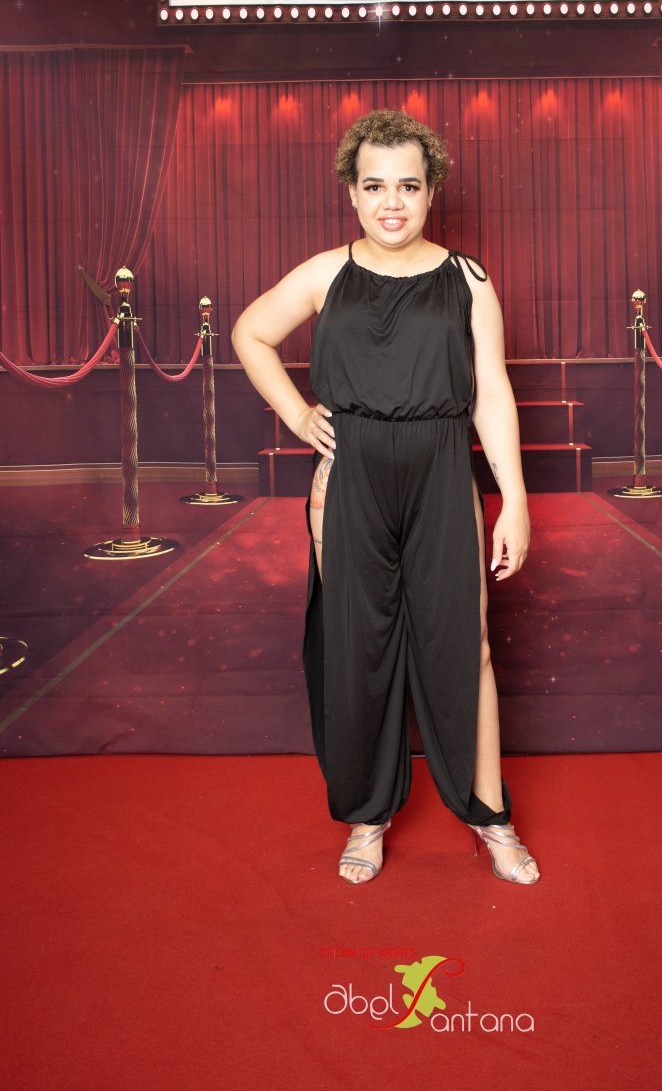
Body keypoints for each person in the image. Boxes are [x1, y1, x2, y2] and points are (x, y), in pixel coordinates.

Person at [232, 109, 540, 887]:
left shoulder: (468, 280)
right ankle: (367, 818)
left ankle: (490, 815)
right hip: (350, 478)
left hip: (442, 471)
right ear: (352, 192)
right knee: (357, 647)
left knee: (462, 646)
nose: (391, 202)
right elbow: (249, 333)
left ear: (431, 190)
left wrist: (513, 499)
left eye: (407, 185)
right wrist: (296, 413)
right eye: (375, 186)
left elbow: (491, 392)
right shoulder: (323, 274)